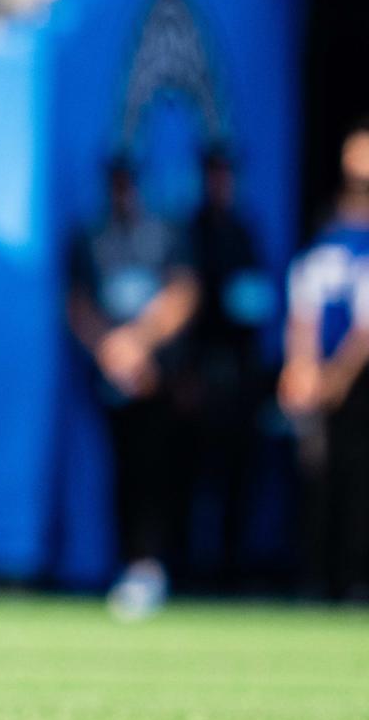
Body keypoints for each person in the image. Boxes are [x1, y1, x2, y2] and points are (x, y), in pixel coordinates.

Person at [67, 157, 199, 620]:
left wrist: (138, 342)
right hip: (113, 374)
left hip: (158, 374)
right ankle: (129, 565)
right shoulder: (92, 236)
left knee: (157, 470)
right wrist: (111, 349)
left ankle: (153, 564)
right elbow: (79, 302)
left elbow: (183, 292)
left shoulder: (165, 231)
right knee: (122, 472)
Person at [174, 146, 273, 589]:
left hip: (238, 375)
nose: (220, 184)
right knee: (190, 478)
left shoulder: (244, 232)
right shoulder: (189, 233)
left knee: (238, 479)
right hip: (198, 372)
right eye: (213, 175)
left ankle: (231, 572)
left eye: (226, 175)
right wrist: (186, 372)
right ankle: (186, 571)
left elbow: (256, 303)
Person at [279, 122, 369, 601]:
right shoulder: (326, 247)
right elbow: (304, 316)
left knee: (356, 482)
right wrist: (305, 369)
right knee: (320, 478)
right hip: (327, 381)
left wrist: (336, 375)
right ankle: (320, 577)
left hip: (353, 382)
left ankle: (352, 578)